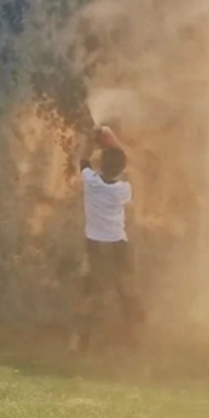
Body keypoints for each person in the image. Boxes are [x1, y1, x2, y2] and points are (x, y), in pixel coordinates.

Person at [74, 124, 145, 350]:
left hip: (94, 245)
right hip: (118, 245)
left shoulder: (91, 182)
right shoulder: (122, 190)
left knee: (91, 292)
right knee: (126, 289)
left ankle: (80, 342)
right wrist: (110, 137)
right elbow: (124, 162)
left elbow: (82, 159)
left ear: (101, 165)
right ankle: (133, 336)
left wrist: (92, 138)